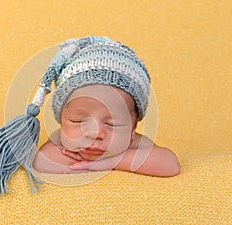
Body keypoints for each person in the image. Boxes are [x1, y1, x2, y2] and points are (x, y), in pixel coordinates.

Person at [33, 36, 180, 177]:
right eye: (78, 121)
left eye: (112, 124)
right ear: (62, 120)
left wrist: (111, 162)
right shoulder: (61, 139)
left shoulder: (135, 143)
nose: (94, 133)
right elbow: (42, 163)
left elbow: (171, 165)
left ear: (133, 128)